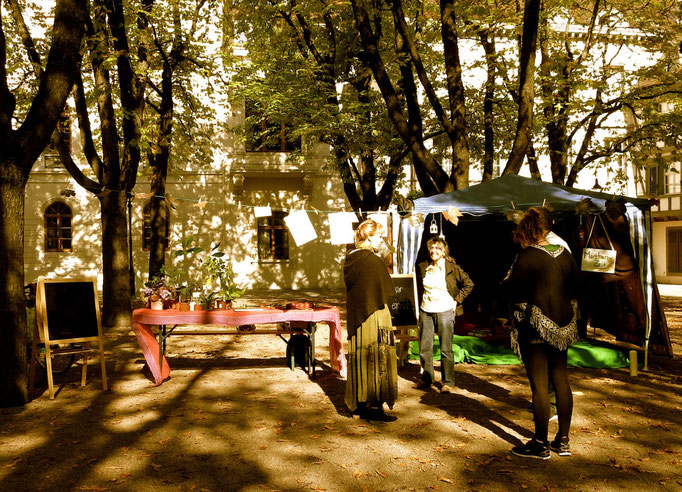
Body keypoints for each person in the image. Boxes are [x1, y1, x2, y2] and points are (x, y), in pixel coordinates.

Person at [501, 206, 581, 459]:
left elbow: (509, 289)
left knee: (539, 387)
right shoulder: (565, 255)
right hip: (563, 326)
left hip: (533, 327)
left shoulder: (528, 256)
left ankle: (539, 443)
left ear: (528, 229)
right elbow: (577, 287)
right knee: (561, 380)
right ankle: (563, 441)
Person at [343, 219, 398, 422]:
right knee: (377, 355)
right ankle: (374, 406)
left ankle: (360, 403)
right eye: (380, 236)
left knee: (361, 357)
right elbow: (385, 290)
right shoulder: (373, 260)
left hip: (358, 319)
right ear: (369, 236)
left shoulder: (351, 258)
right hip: (374, 315)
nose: (382, 240)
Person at [415, 236, 474, 393]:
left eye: (437, 248)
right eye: (431, 248)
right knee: (425, 347)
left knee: (445, 348)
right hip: (426, 310)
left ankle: (447, 382)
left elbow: (469, 284)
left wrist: (457, 300)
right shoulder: (423, 266)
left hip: (445, 310)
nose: (433, 251)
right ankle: (427, 379)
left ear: (443, 251)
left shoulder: (451, 268)